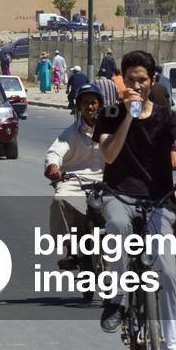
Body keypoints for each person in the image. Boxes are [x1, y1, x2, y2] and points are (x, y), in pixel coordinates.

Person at [93, 51, 176, 350]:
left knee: (168, 273)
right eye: (131, 80)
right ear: (122, 82)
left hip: (157, 200)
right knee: (115, 225)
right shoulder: (110, 113)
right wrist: (129, 115)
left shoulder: (169, 116)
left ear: (152, 80)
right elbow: (110, 155)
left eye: (142, 80)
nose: (137, 85)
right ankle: (115, 299)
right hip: (119, 195)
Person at [45, 83, 106, 268]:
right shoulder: (70, 133)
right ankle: (71, 249)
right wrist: (53, 166)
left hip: (106, 181)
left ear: (100, 105)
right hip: (74, 180)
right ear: (79, 106)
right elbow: (55, 151)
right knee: (59, 201)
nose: (90, 107)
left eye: (93, 103)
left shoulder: (110, 131)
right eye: (85, 103)